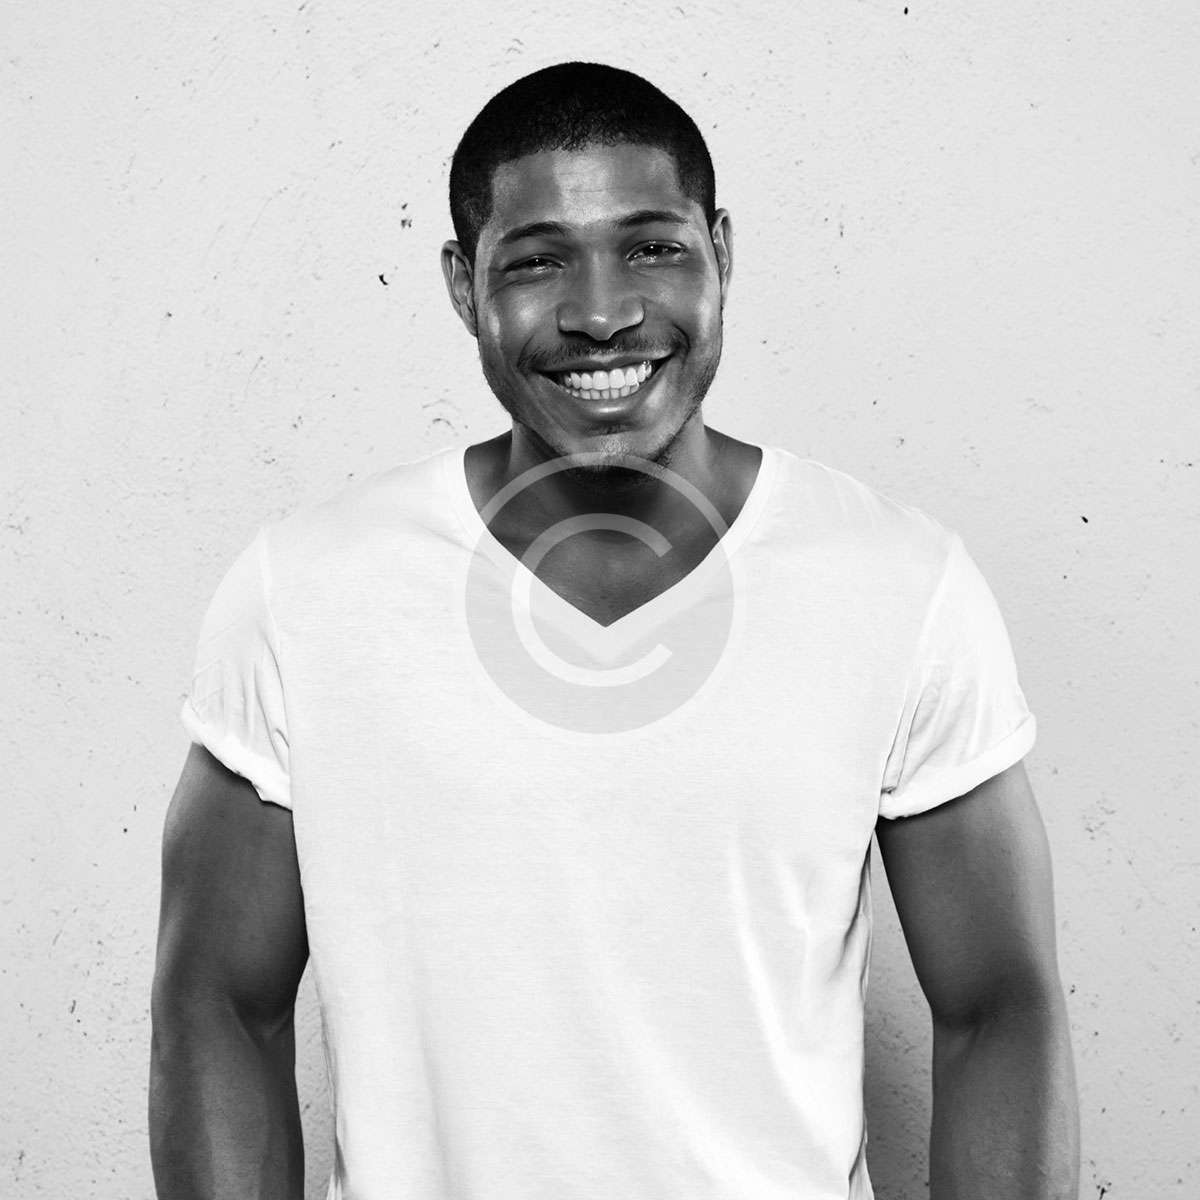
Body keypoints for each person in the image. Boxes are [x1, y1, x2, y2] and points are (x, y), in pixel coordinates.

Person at [149, 61, 1080, 1200]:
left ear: (720, 252)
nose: (602, 312)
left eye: (653, 247)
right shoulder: (305, 589)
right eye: (538, 261)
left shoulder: (900, 582)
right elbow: (219, 1003)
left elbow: (997, 1008)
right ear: (462, 284)